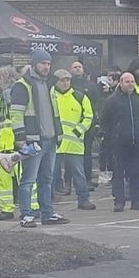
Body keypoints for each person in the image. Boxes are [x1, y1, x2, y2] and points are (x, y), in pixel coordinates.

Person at [9, 49, 67, 228]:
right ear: (34, 64)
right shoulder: (22, 85)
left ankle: (47, 213)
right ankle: (26, 215)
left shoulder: (48, 84)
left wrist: (58, 134)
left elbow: (54, 112)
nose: (46, 67)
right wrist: (21, 137)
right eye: (43, 63)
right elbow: (16, 114)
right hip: (33, 141)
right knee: (28, 180)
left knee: (47, 180)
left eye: (48, 63)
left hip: (49, 140)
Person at [0, 65, 35, 221]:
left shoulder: (14, 92)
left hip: (15, 142)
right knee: (5, 179)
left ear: (4, 77)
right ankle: (9, 208)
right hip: (5, 144)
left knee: (24, 176)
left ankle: (29, 207)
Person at [100, 72, 139, 212]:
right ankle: (119, 201)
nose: (130, 84)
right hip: (118, 143)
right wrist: (110, 137)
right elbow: (104, 120)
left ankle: (136, 200)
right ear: (121, 83)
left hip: (137, 142)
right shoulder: (112, 101)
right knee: (118, 172)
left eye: (132, 81)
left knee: (137, 171)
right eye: (127, 82)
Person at [51, 69, 95, 211]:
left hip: (74, 143)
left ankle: (83, 199)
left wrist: (79, 130)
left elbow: (89, 116)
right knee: (50, 174)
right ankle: (48, 200)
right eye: (62, 80)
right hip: (55, 142)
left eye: (67, 80)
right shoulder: (50, 96)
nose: (65, 83)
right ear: (56, 81)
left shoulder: (79, 96)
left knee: (79, 173)